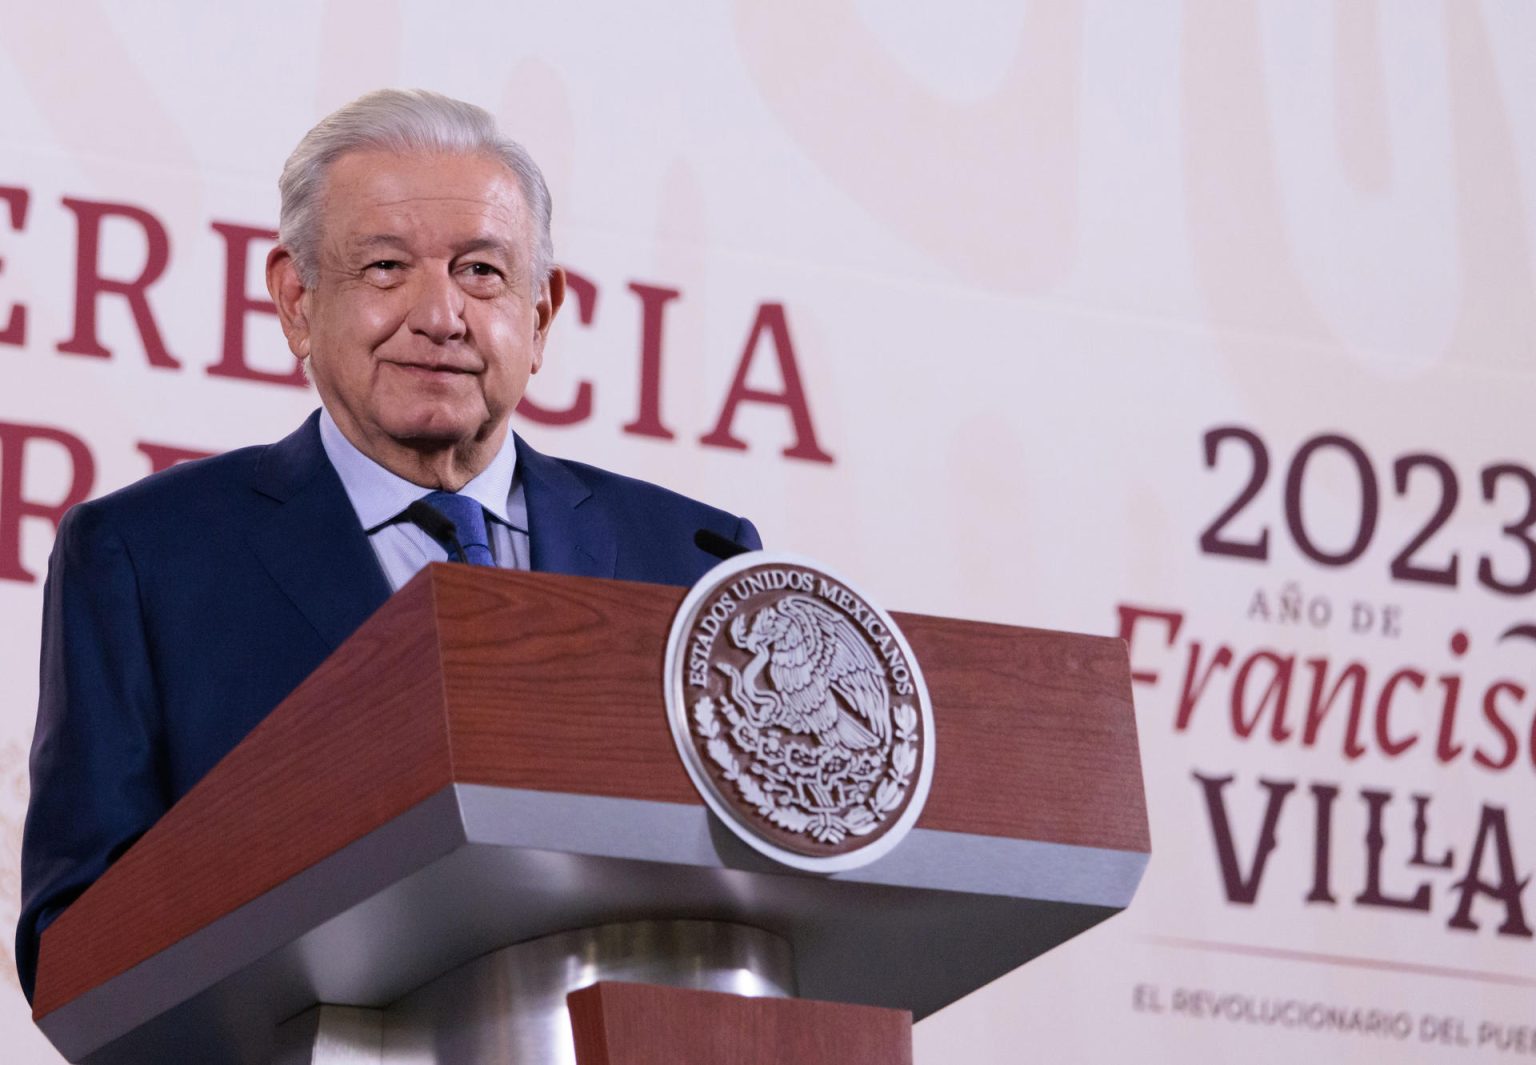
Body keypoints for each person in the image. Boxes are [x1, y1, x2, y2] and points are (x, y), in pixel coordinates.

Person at [15, 89, 759, 1001]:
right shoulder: (143, 558)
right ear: (296, 300)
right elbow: (78, 940)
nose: (439, 315)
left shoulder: (693, 560)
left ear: (540, 315)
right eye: (384, 267)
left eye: (482, 271)